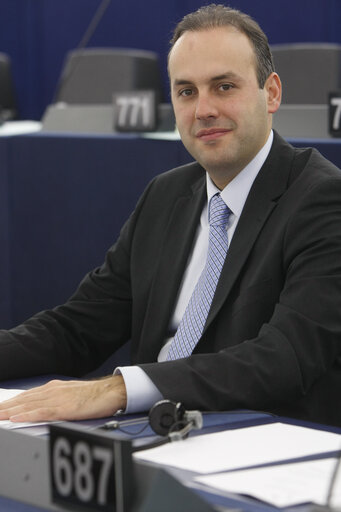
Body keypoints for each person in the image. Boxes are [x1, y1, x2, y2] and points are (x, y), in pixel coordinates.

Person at [0, 3, 341, 427]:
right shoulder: (165, 195)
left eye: (223, 87)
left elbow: (284, 358)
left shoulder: (324, 198)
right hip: (150, 433)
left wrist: (120, 388)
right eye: (186, 91)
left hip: (253, 439)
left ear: (270, 93)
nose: (203, 110)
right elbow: (78, 327)